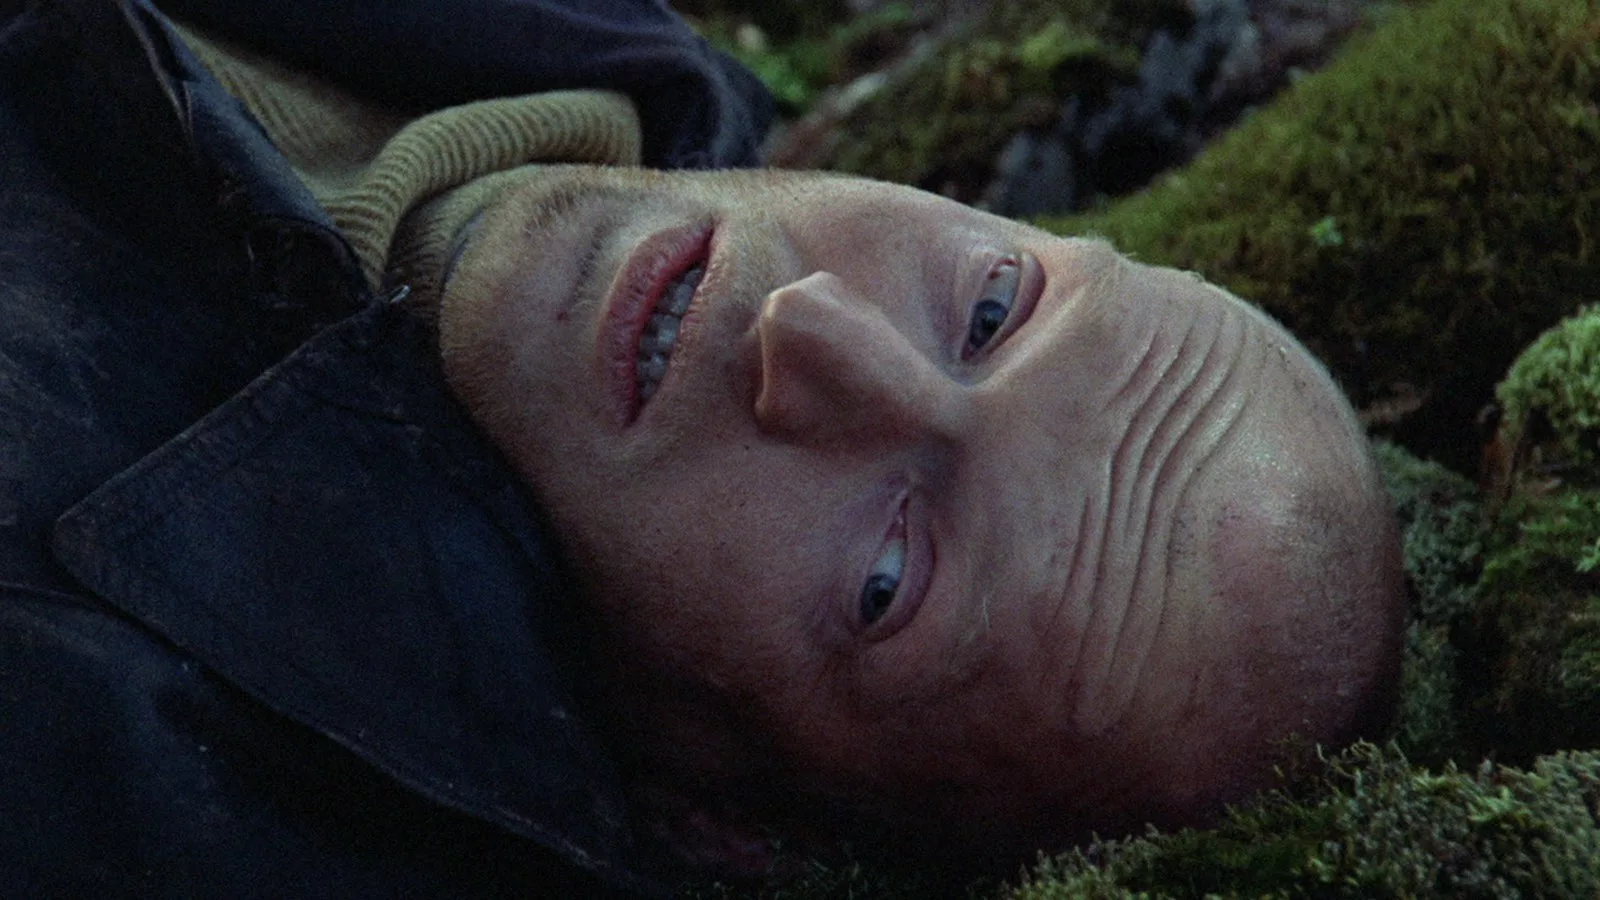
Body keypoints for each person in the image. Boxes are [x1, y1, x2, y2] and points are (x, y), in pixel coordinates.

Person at [0, 0, 1405, 895]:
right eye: (991, 306)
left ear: (734, 835)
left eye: (888, 574)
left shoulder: (109, 734)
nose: (812, 337)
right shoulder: (621, 57)